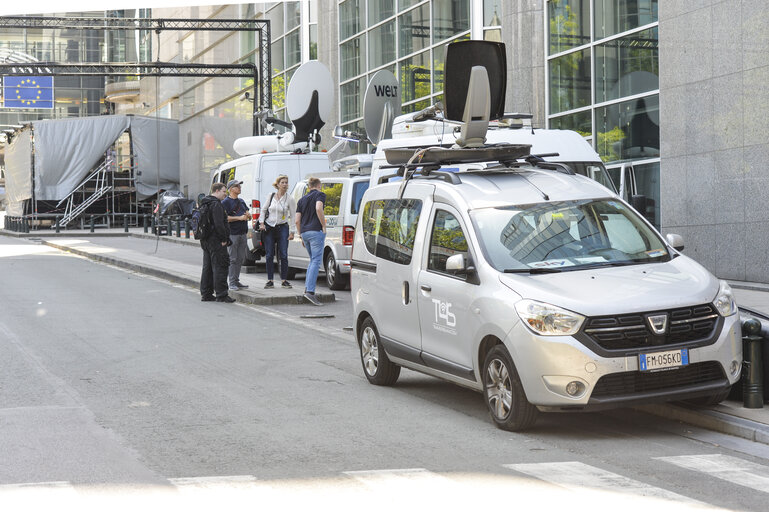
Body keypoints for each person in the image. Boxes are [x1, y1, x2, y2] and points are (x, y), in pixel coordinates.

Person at [199, 182, 236, 303]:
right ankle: (222, 294)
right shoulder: (216, 205)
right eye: (224, 191)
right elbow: (219, 224)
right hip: (216, 240)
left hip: (205, 239)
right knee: (221, 266)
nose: (225, 194)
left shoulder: (204, 203)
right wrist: (224, 239)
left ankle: (206, 293)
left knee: (207, 267)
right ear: (217, 191)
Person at [260, 174, 296, 289]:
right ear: (278, 184)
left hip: (282, 227)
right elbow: (263, 210)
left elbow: (294, 216)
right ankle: (270, 280)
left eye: (286, 182)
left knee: (283, 254)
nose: (285, 184)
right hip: (269, 227)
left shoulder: (289, 198)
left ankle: (284, 280)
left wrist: (292, 231)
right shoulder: (271, 196)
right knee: (269, 254)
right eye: (283, 182)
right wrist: (261, 223)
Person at [295, 176, 326, 306]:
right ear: (319, 185)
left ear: (309, 186)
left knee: (312, 260)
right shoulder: (320, 195)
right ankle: (310, 292)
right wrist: (323, 225)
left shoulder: (301, 200)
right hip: (315, 232)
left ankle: (307, 289)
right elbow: (319, 208)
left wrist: (300, 235)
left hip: (305, 232)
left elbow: (297, 220)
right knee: (315, 261)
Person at [222, 179, 251, 291]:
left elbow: (248, 215)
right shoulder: (225, 203)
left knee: (240, 259)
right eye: (237, 186)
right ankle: (232, 282)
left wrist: (248, 215)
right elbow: (225, 218)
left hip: (243, 233)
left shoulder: (242, 201)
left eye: (240, 186)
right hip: (232, 234)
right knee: (232, 258)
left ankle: (236, 280)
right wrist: (239, 218)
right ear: (231, 189)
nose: (240, 188)